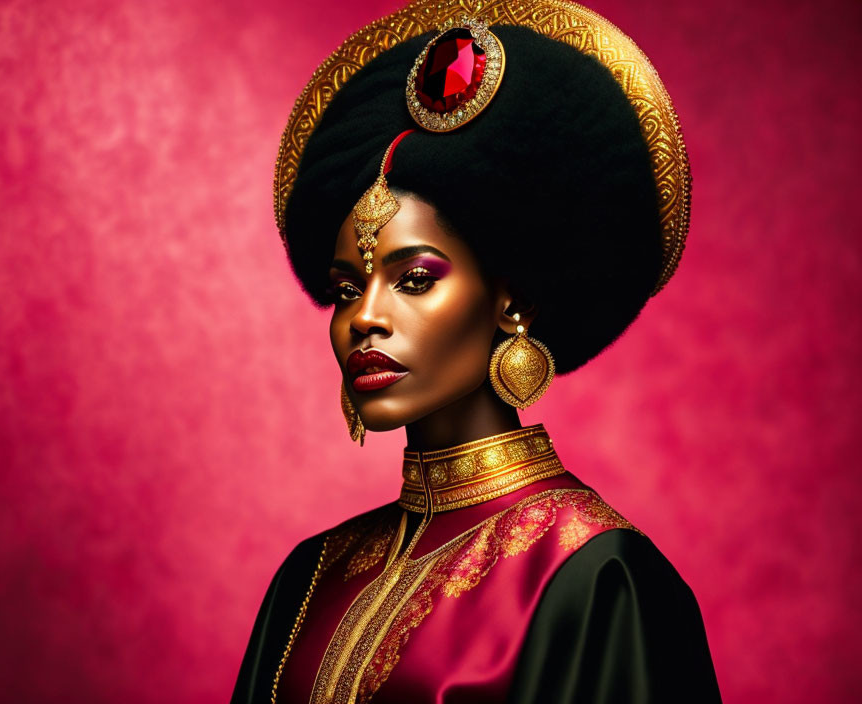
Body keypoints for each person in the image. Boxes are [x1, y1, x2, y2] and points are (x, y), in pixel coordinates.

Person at [233, 1, 720, 702]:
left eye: (416, 280)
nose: (365, 318)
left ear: (510, 300)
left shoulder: (596, 573)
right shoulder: (311, 576)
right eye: (346, 288)